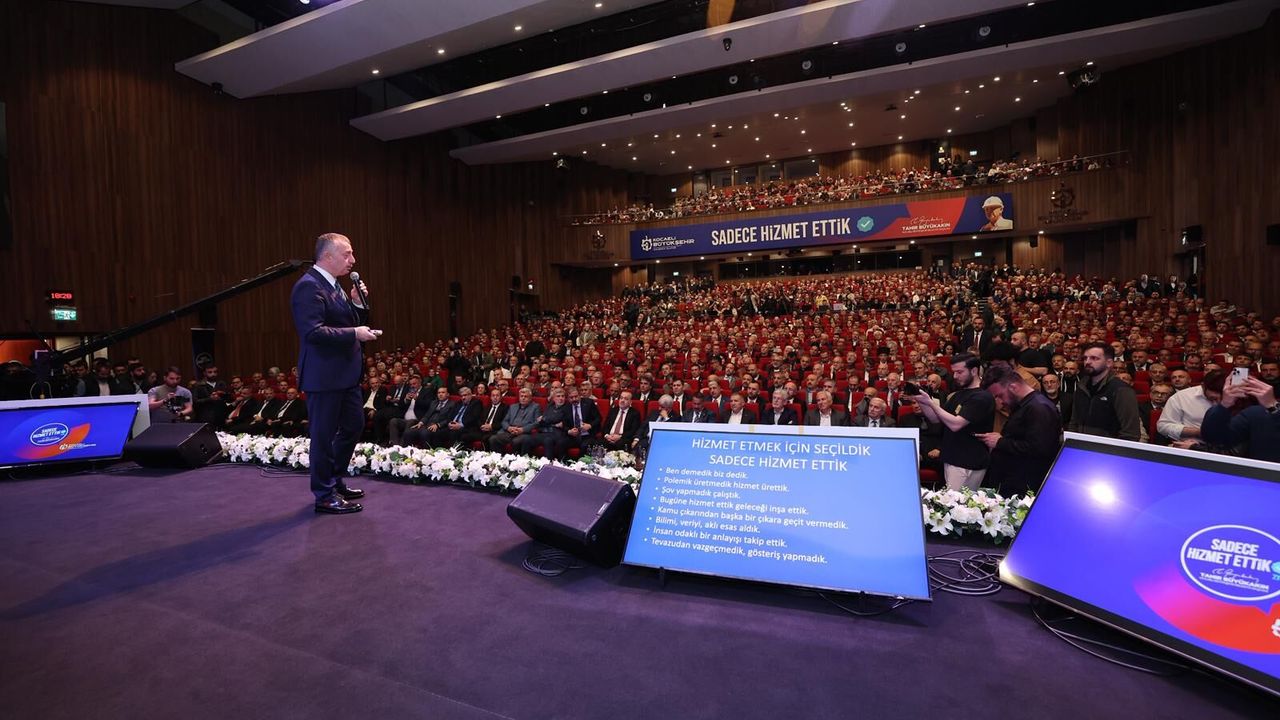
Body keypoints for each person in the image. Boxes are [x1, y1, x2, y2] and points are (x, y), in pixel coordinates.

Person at [291, 232, 378, 515]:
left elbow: (346, 321)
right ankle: (324, 494)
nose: (353, 259)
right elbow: (312, 332)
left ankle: (335, 478)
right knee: (323, 436)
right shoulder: (309, 286)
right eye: (347, 254)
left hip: (345, 375)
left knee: (353, 426)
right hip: (324, 377)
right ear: (327, 256)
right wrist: (354, 333)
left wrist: (356, 304)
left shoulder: (335, 285)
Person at [975, 365, 1062, 496]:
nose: (999, 401)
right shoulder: (1024, 405)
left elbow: (1040, 449)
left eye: (1000, 395)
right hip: (1012, 480)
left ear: (1013, 387)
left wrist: (1000, 442)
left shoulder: (1039, 408)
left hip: (1024, 486)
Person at [911, 354, 994, 491]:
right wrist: (922, 401)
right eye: (954, 372)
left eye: (959, 372)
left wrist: (931, 403)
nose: (955, 376)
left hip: (967, 460)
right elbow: (936, 418)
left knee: (958, 502)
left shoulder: (981, 397)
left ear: (974, 371)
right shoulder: (958, 394)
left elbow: (956, 425)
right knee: (952, 500)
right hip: (952, 457)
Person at [1067, 342, 1142, 442]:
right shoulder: (1081, 386)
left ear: (1109, 363)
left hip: (1108, 449)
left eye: (1094, 358)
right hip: (1081, 446)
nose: (1087, 362)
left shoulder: (1121, 390)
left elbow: (1130, 433)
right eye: (1085, 358)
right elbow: (1074, 422)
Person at [1201, 376, 1280, 462]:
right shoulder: (1256, 413)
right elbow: (1214, 438)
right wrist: (1224, 405)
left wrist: (1274, 408)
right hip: (1259, 469)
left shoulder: (1267, 410)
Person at [1156, 369, 1224, 447]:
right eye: (1212, 399)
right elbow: (1163, 426)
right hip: (1189, 446)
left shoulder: (1234, 396)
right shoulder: (1181, 397)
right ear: (1203, 386)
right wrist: (1197, 432)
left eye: (1222, 398)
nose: (1216, 403)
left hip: (1225, 448)